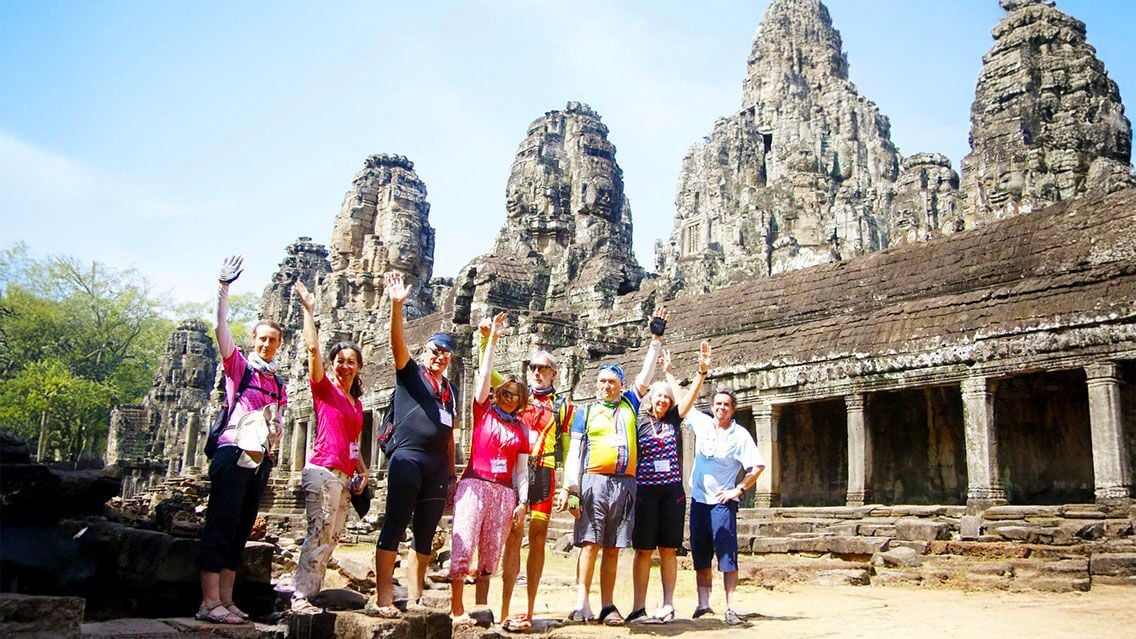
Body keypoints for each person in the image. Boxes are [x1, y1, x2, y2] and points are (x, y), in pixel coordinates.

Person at [553, 310, 667, 626]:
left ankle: (607, 605)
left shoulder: (630, 403)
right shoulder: (585, 413)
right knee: (589, 542)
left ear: (620, 385)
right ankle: (581, 602)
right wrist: (570, 488)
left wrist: (655, 340)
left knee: (614, 547)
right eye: (602, 381)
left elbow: (645, 376)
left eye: (612, 381)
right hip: (594, 481)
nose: (606, 386)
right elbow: (574, 451)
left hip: (625, 483)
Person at [194, 255, 286, 625]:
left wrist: (276, 431)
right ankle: (208, 601)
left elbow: (276, 420)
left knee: (241, 527)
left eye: (273, 340)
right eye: (262, 339)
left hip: (258, 458)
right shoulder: (240, 368)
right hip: (233, 451)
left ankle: (227, 601)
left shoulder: (278, 383)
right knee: (221, 521)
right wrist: (223, 288)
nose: (267, 344)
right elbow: (220, 329)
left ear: (279, 344)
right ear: (254, 340)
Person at [367, 271, 458, 619]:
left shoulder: (448, 390)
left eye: (446, 354)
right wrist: (396, 306)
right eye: (436, 351)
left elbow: (451, 434)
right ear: (425, 351)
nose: (441, 357)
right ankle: (384, 595)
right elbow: (396, 344)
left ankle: (416, 596)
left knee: (426, 530)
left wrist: (451, 474)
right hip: (407, 459)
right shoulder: (410, 373)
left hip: (436, 465)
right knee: (395, 522)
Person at [290, 281, 368, 614]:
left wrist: (362, 470)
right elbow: (312, 351)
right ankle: (300, 597)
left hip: (345, 478)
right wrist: (309, 311)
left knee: (332, 536)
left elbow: (354, 441)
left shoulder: (356, 403)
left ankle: (312, 591)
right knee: (318, 532)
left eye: (351, 361)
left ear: (359, 367)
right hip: (323, 472)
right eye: (340, 360)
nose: (345, 365)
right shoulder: (325, 390)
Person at [449, 312, 530, 628]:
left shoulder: (522, 429)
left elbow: (521, 470)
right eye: (506, 392)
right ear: (498, 394)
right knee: (463, 545)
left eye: (516, 395)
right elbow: (483, 376)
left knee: (490, 553)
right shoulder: (483, 410)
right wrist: (491, 341)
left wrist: (522, 501)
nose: (509, 398)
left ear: (522, 401)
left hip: (504, 492)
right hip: (474, 485)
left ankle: (481, 610)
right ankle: (457, 609)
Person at [488, 336, 574, 633]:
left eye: (543, 368)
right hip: (517, 470)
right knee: (513, 536)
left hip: (545, 472)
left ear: (554, 374)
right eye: (533, 367)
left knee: (538, 538)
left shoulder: (563, 406)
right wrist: (489, 339)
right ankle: (503, 609)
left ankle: (529, 609)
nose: (537, 372)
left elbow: (568, 447)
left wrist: (569, 487)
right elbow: (492, 375)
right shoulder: (517, 397)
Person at [627, 341, 712, 624]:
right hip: (645, 492)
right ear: (651, 400)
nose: (663, 400)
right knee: (643, 550)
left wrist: (694, 373)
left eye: (666, 397)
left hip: (672, 493)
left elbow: (687, 399)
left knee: (668, 549)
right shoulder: (639, 421)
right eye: (658, 397)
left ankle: (667, 604)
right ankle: (639, 607)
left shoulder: (674, 420)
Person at [686, 386, 765, 626]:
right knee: (700, 553)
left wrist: (738, 489)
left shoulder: (739, 435)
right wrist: (669, 371)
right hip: (699, 500)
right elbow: (683, 401)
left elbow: (757, 466)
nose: (721, 408)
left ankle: (731, 606)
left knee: (727, 555)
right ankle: (703, 603)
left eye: (726, 405)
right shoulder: (702, 424)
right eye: (717, 404)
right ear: (711, 408)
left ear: (733, 410)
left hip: (722, 503)